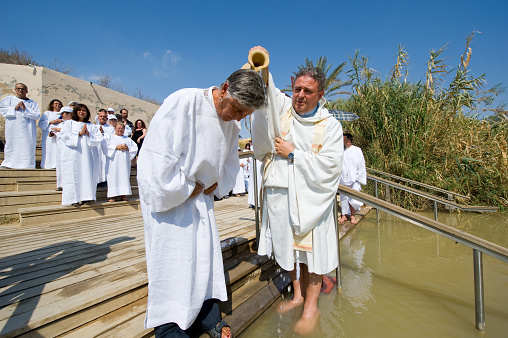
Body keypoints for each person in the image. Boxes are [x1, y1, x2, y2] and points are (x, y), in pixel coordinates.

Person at [137, 69, 265, 338]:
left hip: (201, 201)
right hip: (172, 204)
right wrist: (185, 186)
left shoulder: (231, 124)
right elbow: (155, 156)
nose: (238, 118)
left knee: (203, 259)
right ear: (225, 88)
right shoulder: (185, 102)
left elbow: (229, 164)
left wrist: (216, 184)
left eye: (245, 115)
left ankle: (206, 314)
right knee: (174, 262)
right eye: (238, 109)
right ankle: (170, 325)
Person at [250, 46, 343, 335]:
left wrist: (294, 154)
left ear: (320, 95)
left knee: (312, 255)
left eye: (308, 91)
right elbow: (270, 93)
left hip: (312, 199)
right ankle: (298, 295)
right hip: (284, 197)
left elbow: (330, 167)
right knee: (292, 251)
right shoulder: (284, 112)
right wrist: (262, 67)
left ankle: (311, 307)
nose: (300, 95)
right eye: (297, 89)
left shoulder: (330, 126)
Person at [59, 104, 103, 205]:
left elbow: (98, 138)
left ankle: (86, 197)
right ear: (75, 112)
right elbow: (64, 136)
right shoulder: (69, 123)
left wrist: (88, 134)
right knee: (73, 175)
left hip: (88, 156)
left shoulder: (91, 126)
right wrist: (78, 134)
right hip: (73, 155)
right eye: (79, 110)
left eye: (84, 110)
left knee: (87, 174)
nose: (81, 112)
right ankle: (73, 198)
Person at [0, 83, 40, 169]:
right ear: (15, 90)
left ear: (27, 91)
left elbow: (37, 115)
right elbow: (2, 110)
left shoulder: (32, 103)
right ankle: (9, 163)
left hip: (27, 130)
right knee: (12, 144)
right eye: (18, 88)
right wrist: (14, 108)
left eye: (22, 89)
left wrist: (26, 109)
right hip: (13, 128)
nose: (20, 90)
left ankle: (27, 164)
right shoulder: (9, 99)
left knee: (26, 145)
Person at [103, 123, 138, 202]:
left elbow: (135, 147)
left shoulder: (127, 139)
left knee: (124, 177)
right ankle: (112, 195)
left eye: (122, 128)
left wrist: (127, 148)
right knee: (113, 177)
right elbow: (105, 146)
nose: (120, 130)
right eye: (118, 128)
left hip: (124, 163)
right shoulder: (110, 137)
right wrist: (116, 147)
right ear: (115, 129)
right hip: (113, 162)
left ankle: (123, 194)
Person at [339, 133, 367, 225]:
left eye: (343, 140)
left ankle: (352, 216)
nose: (342, 142)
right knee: (343, 197)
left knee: (353, 198)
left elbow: (361, 165)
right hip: (343, 177)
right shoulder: (340, 151)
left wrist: (358, 177)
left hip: (354, 178)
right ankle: (344, 215)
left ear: (349, 141)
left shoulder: (357, 150)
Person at [52, 106, 73, 190]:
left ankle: (68, 184)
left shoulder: (73, 123)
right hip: (59, 147)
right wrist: (53, 134)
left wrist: (61, 130)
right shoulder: (60, 124)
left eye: (64, 113)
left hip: (69, 147)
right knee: (60, 165)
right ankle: (60, 184)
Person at [38, 99, 63, 169]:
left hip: (59, 135)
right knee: (49, 149)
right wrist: (51, 122)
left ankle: (56, 165)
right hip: (48, 135)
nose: (57, 105)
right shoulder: (47, 113)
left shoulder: (63, 114)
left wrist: (61, 120)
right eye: (56, 103)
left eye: (59, 104)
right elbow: (40, 123)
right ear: (52, 105)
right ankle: (47, 165)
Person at [96, 110, 114, 188]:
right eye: (101, 116)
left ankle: (104, 180)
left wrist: (103, 133)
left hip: (106, 149)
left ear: (107, 118)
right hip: (96, 149)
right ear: (98, 117)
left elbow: (112, 138)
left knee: (105, 164)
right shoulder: (94, 127)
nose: (102, 118)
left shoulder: (110, 128)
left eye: (104, 117)